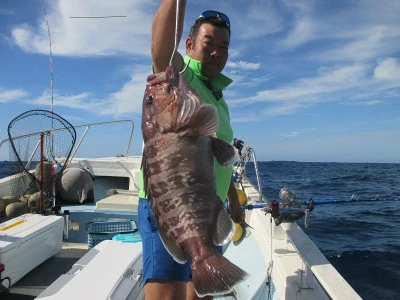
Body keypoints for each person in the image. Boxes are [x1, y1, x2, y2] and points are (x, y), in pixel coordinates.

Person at [138, 1, 244, 299]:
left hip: (208, 205)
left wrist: (232, 197)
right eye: (209, 43)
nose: (217, 52)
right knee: (168, 293)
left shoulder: (217, 97)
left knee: (202, 288)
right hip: (170, 205)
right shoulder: (182, 77)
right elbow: (160, 51)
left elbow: (210, 157)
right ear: (189, 44)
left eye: (224, 47)